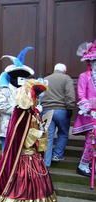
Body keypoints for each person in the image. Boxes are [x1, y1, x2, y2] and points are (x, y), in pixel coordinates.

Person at [0, 79, 57, 202]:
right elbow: (23, 138)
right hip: (24, 153)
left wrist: (41, 128)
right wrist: (39, 132)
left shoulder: (33, 113)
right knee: (22, 177)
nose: (36, 100)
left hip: (33, 153)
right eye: (35, 96)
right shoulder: (22, 114)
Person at [0, 47, 34, 150]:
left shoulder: (27, 89)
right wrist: (18, 110)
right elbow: (1, 105)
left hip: (23, 128)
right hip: (8, 127)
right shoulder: (4, 88)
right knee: (7, 154)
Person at [41, 63, 75, 167]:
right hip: (61, 110)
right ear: (64, 70)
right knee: (63, 133)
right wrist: (70, 108)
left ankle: (46, 163)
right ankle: (57, 155)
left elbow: (40, 95)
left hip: (47, 110)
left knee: (48, 136)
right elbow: (70, 95)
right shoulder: (66, 78)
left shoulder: (45, 79)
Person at [72, 40, 96, 176]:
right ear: (91, 62)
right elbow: (81, 95)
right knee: (90, 140)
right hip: (89, 115)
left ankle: (93, 164)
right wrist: (88, 107)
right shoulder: (83, 76)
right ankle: (83, 165)